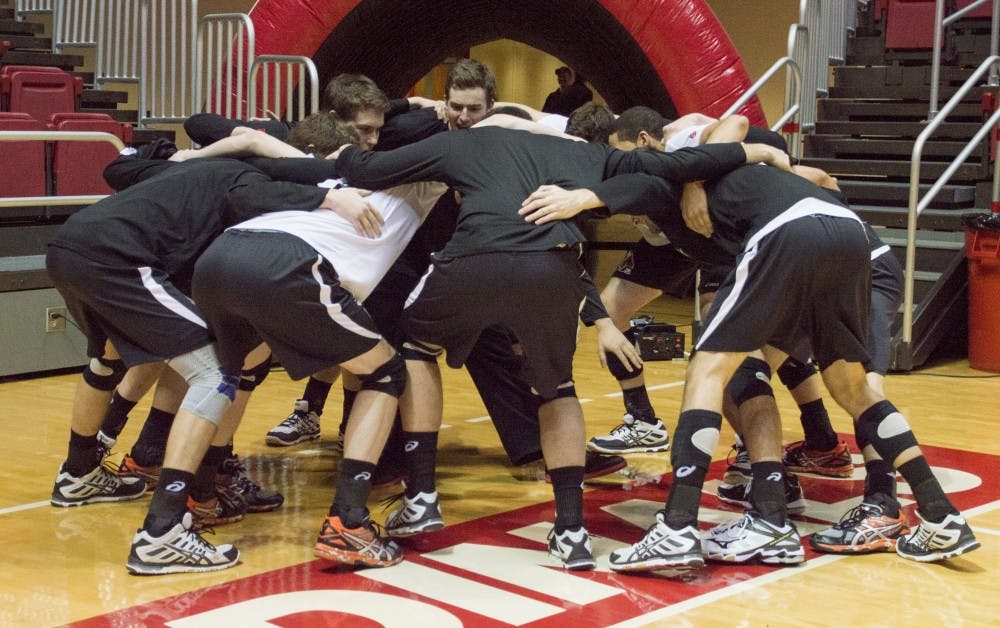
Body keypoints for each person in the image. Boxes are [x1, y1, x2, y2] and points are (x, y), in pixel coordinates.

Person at [323, 121, 786, 570]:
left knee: (416, 349)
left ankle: (421, 496)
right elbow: (675, 165)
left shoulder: (465, 142)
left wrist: (333, 153)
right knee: (557, 387)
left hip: (474, 258)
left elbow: (368, 169)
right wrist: (755, 152)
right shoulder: (587, 153)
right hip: (553, 267)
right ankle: (571, 531)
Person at [519, 147, 981, 569]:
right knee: (852, 388)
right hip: (851, 235)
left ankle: (677, 526)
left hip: (790, 232)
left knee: (706, 371)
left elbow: (645, 179)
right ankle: (940, 516)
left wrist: (582, 197)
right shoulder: (716, 197)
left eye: (637, 218)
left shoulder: (669, 176)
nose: (638, 223)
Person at [46, 138, 376, 575]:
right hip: (118, 259)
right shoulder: (238, 175)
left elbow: (122, 173)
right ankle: (162, 532)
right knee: (213, 371)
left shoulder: (187, 174)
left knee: (106, 360)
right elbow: (258, 191)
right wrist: (331, 198)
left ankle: (79, 472)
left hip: (69, 246)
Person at [183, 118, 448, 568]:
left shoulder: (327, 167)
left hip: (221, 256)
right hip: (286, 263)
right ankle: (348, 522)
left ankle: (203, 493)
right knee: (385, 372)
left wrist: (192, 154)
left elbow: (252, 137)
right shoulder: (425, 171)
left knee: (235, 372)